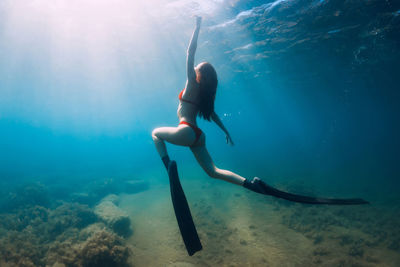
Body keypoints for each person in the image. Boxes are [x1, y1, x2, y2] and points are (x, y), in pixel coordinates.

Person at [152, 17, 368, 204]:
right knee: (214, 171)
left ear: (199, 73)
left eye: (197, 67)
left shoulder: (192, 84)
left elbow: (190, 51)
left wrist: (197, 25)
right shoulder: (205, 95)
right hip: (198, 136)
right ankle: (251, 184)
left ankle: (167, 165)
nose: (195, 66)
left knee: (155, 134)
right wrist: (226, 132)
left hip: (186, 130)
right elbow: (214, 115)